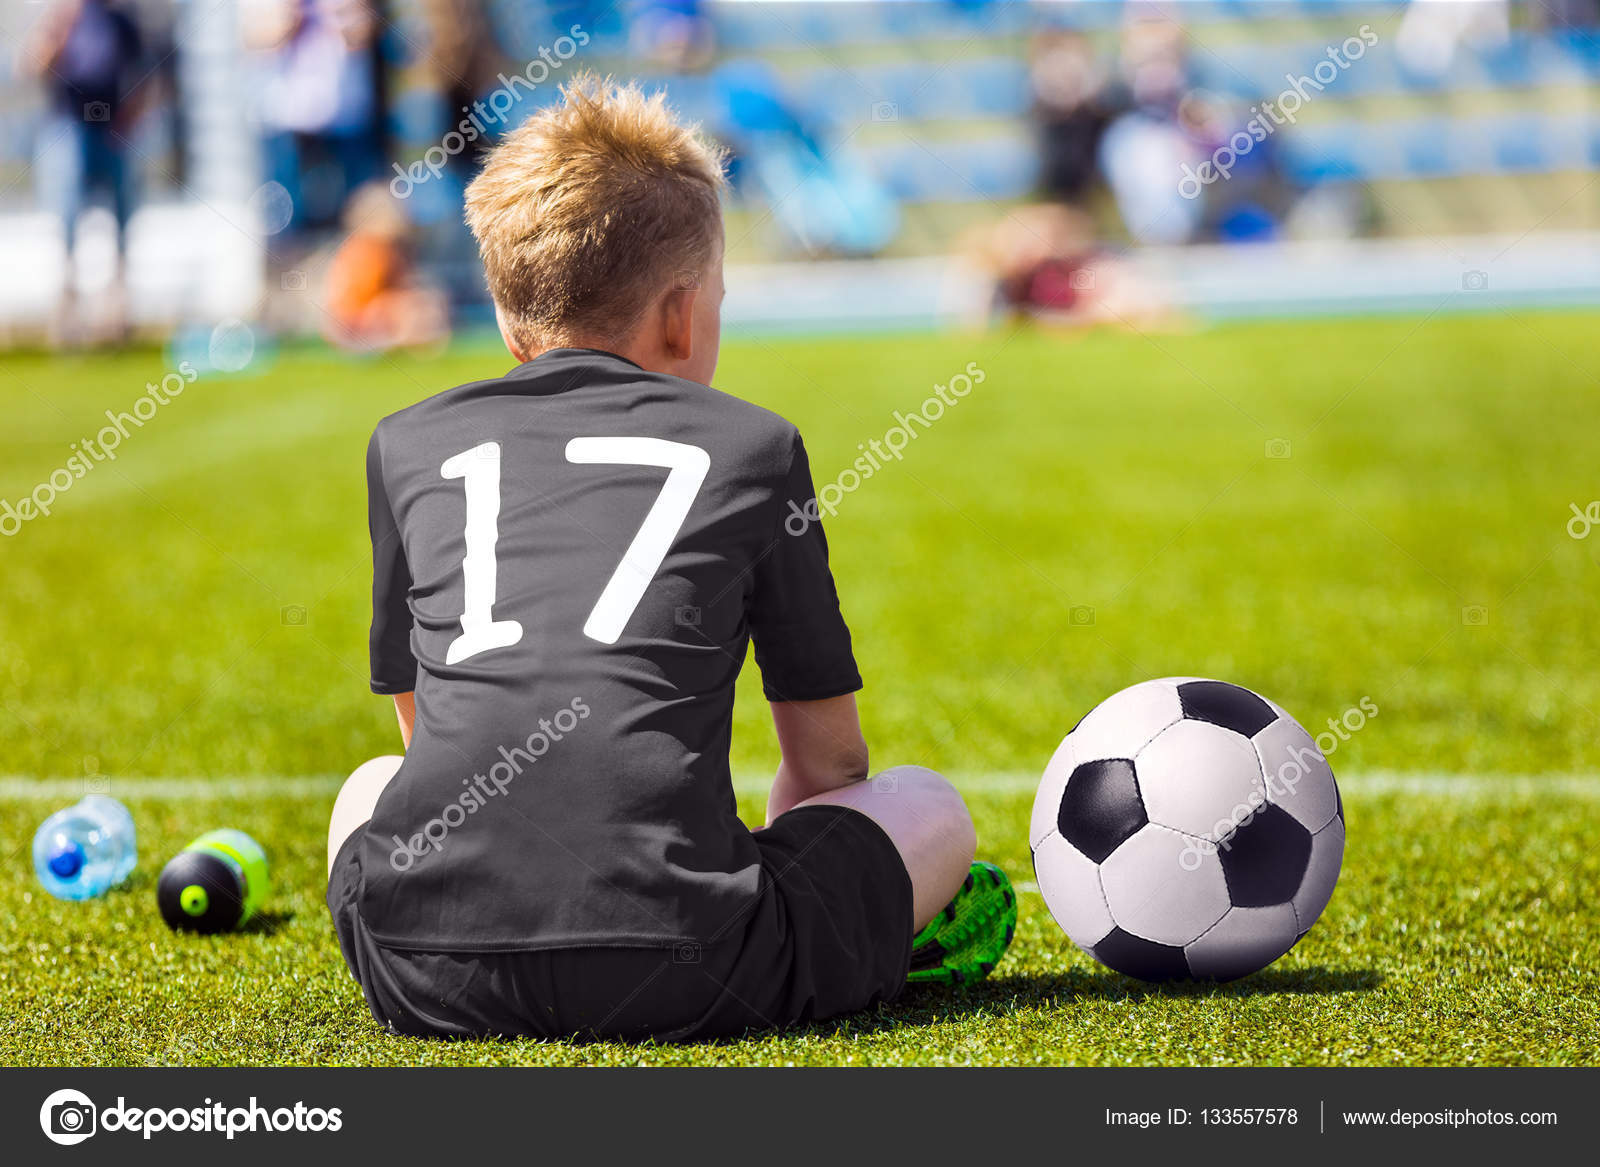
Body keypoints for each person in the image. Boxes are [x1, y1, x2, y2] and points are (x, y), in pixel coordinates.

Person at [325, 74, 1016, 1041]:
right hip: (693, 970)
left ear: (507, 310)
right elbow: (829, 764)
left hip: (422, 972)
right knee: (929, 808)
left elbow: (418, 735)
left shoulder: (403, 442)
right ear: (683, 313)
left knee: (364, 788)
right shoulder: (753, 447)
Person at [20, 0, 147, 343]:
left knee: (121, 220)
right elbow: (32, 67)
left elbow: (144, 76)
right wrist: (59, 28)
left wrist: (130, 120)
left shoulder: (121, 21)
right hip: (68, 128)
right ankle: (67, 309)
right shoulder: (61, 18)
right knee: (68, 221)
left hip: (111, 132)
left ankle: (117, 310)